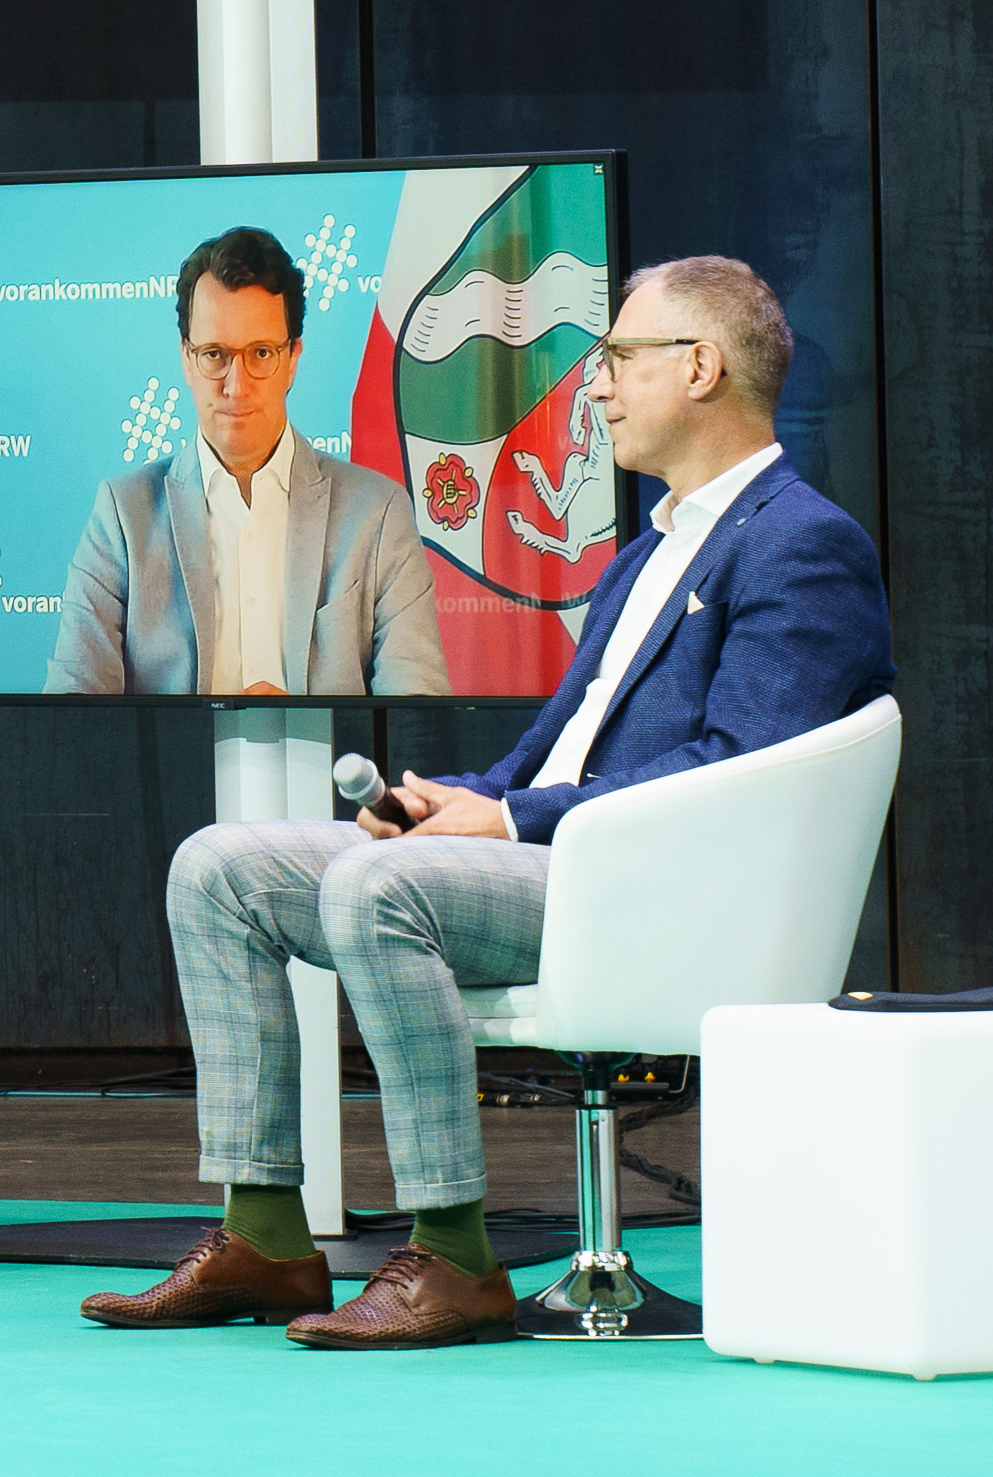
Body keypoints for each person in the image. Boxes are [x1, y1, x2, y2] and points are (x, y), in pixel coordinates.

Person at [82, 255, 892, 1348]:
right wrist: (449, 802)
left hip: (657, 890)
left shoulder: (801, 543)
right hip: (569, 857)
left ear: (698, 367)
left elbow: (730, 765)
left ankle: (454, 1259)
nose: (592, 387)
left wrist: (507, 822)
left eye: (613, 358)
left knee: (376, 889)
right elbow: (545, 755)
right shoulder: (646, 548)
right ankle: (264, 1235)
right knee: (216, 868)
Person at [48, 227, 448, 696]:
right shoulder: (122, 514)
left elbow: (418, 711)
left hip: (326, 769)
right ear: (185, 358)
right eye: (214, 355)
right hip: (179, 770)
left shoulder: (377, 514)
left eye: (261, 353)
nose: (236, 386)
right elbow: (72, 711)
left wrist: (304, 729)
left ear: (293, 357)